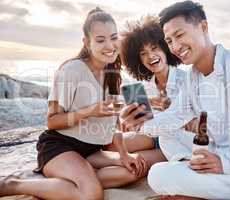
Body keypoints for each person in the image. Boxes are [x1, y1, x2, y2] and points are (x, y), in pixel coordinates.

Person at [119, 1, 230, 200]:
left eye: (179, 35)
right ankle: (198, 182)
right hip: (219, 157)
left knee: (158, 174)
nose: (175, 46)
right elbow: (176, 116)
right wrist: (140, 124)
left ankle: (204, 188)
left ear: (203, 27)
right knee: (162, 158)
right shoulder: (192, 77)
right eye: (169, 41)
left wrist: (226, 162)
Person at [0, 7, 147, 200]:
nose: (110, 45)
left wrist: (124, 154)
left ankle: (72, 180)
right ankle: (14, 184)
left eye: (113, 37)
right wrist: (89, 112)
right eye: (100, 40)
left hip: (92, 150)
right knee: (91, 194)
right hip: (59, 147)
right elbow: (52, 121)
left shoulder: (113, 74)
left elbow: (114, 125)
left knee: (136, 169)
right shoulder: (72, 70)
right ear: (87, 43)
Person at [118, 15, 195, 162]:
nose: (150, 56)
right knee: (112, 144)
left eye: (154, 48)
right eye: (143, 53)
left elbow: (194, 120)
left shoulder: (187, 79)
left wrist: (168, 107)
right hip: (151, 136)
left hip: (177, 140)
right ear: (138, 60)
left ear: (166, 48)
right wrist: (130, 119)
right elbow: (140, 124)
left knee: (134, 163)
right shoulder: (145, 88)